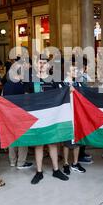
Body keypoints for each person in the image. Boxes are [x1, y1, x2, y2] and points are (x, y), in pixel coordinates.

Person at [28, 55, 69, 184]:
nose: (41, 65)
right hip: (37, 118)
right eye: (39, 63)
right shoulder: (32, 80)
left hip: (52, 118)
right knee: (39, 145)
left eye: (44, 63)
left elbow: (63, 95)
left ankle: (56, 170)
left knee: (53, 143)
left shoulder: (54, 80)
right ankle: (39, 172)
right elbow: (26, 98)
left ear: (48, 65)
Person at [3, 61, 33, 170]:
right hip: (20, 114)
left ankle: (12, 161)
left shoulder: (7, 85)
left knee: (12, 137)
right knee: (23, 138)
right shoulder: (21, 86)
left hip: (8, 114)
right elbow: (26, 100)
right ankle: (21, 162)